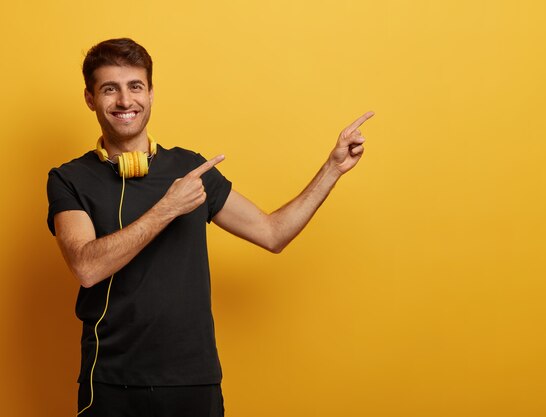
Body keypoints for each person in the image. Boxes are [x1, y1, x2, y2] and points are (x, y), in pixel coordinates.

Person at [47, 37, 374, 417]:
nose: (125, 101)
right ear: (90, 98)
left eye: (135, 86)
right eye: (110, 89)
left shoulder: (191, 170)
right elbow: (86, 268)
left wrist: (332, 169)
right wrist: (167, 208)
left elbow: (273, 233)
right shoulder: (69, 179)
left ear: (151, 93)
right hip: (110, 381)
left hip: (193, 381)